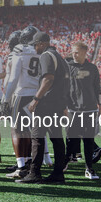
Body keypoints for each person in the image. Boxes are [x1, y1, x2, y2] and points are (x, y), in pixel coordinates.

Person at [17, 32, 68, 184]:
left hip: (47, 103)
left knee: (37, 137)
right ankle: (58, 173)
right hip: (57, 103)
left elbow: (48, 79)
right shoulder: (59, 57)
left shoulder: (46, 55)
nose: (34, 48)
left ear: (41, 43)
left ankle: (35, 173)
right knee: (57, 138)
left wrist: (36, 99)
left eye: (35, 44)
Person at [3, 26, 40, 179]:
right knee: (31, 131)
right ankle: (30, 162)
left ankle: (21, 167)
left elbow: (13, 78)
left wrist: (6, 99)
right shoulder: (41, 52)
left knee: (18, 130)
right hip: (37, 95)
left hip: (22, 94)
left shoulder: (20, 50)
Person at [64, 41, 101, 180]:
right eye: (73, 52)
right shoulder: (67, 67)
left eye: (77, 52)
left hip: (90, 109)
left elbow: (97, 88)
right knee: (70, 139)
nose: (74, 54)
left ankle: (89, 168)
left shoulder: (92, 68)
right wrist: (64, 106)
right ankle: (65, 162)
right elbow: (63, 89)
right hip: (73, 109)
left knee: (88, 140)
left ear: (85, 52)